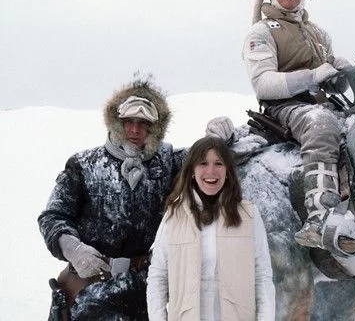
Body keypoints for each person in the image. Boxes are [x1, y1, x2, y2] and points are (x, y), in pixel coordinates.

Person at [38, 78, 228, 320]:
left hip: (144, 284)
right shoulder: (84, 165)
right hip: (90, 283)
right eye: (128, 122)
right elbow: (53, 216)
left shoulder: (167, 161)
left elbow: (204, 161)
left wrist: (217, 138)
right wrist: (74, 249)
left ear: (155, 128)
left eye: (143, 123)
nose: (135, 130)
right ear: (116, 123)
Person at [242, 0, 355, 256]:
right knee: (321, 124)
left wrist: (340, 74)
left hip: (322, 103)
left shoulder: (318, 33)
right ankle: (319, 219)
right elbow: (263, 84)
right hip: (283, 109)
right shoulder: (260, 32)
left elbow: (331, 84)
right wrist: (311, 76)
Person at [146, 136, 275, 320]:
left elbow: (262, 277)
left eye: (219, 163)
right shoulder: (174, 216)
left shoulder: (249, 215)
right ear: (192, 171)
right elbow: (158, 276)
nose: (211, 171)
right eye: (203, 163)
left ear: (228, 171)